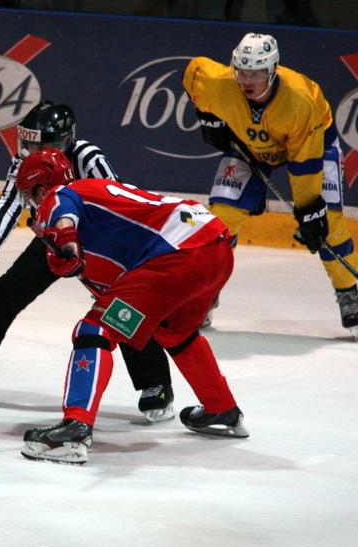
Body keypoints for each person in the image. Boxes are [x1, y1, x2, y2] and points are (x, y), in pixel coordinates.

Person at [0, 100, 176, 423]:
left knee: (121, 308)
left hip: (99, 243)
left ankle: (156, 384)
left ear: (63, 141)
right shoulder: (24, 161)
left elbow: (117, 199)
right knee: (5, 292)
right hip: (53, 239)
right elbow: (11, 198)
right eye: (27, 143)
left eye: (39, 144)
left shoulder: (89, 157)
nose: (30, 150)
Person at [15, 149, 248, 465]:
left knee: (94, 329)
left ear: (42, 187)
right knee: (175, 332)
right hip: (214, 248)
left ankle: (76, 427)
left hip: (179, 254)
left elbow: (61, 211)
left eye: (31, 195)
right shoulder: (99, 213)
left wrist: (65, 236)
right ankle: (221, 409)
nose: (33, 204)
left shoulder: (62, 194)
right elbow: (117, 288)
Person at [182, 32, 358, 336]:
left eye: (255, 72)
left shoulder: (301, 100)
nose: (246, 80)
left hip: (313, 147)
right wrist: (206, 117)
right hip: (247, 145)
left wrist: (309, 211)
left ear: (272, 70)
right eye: (241, 70)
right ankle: (204, 296)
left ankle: (347, 292)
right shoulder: (219, 83)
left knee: (327, 223)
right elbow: (193, 72)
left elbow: (305, 164)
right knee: (220, 220)